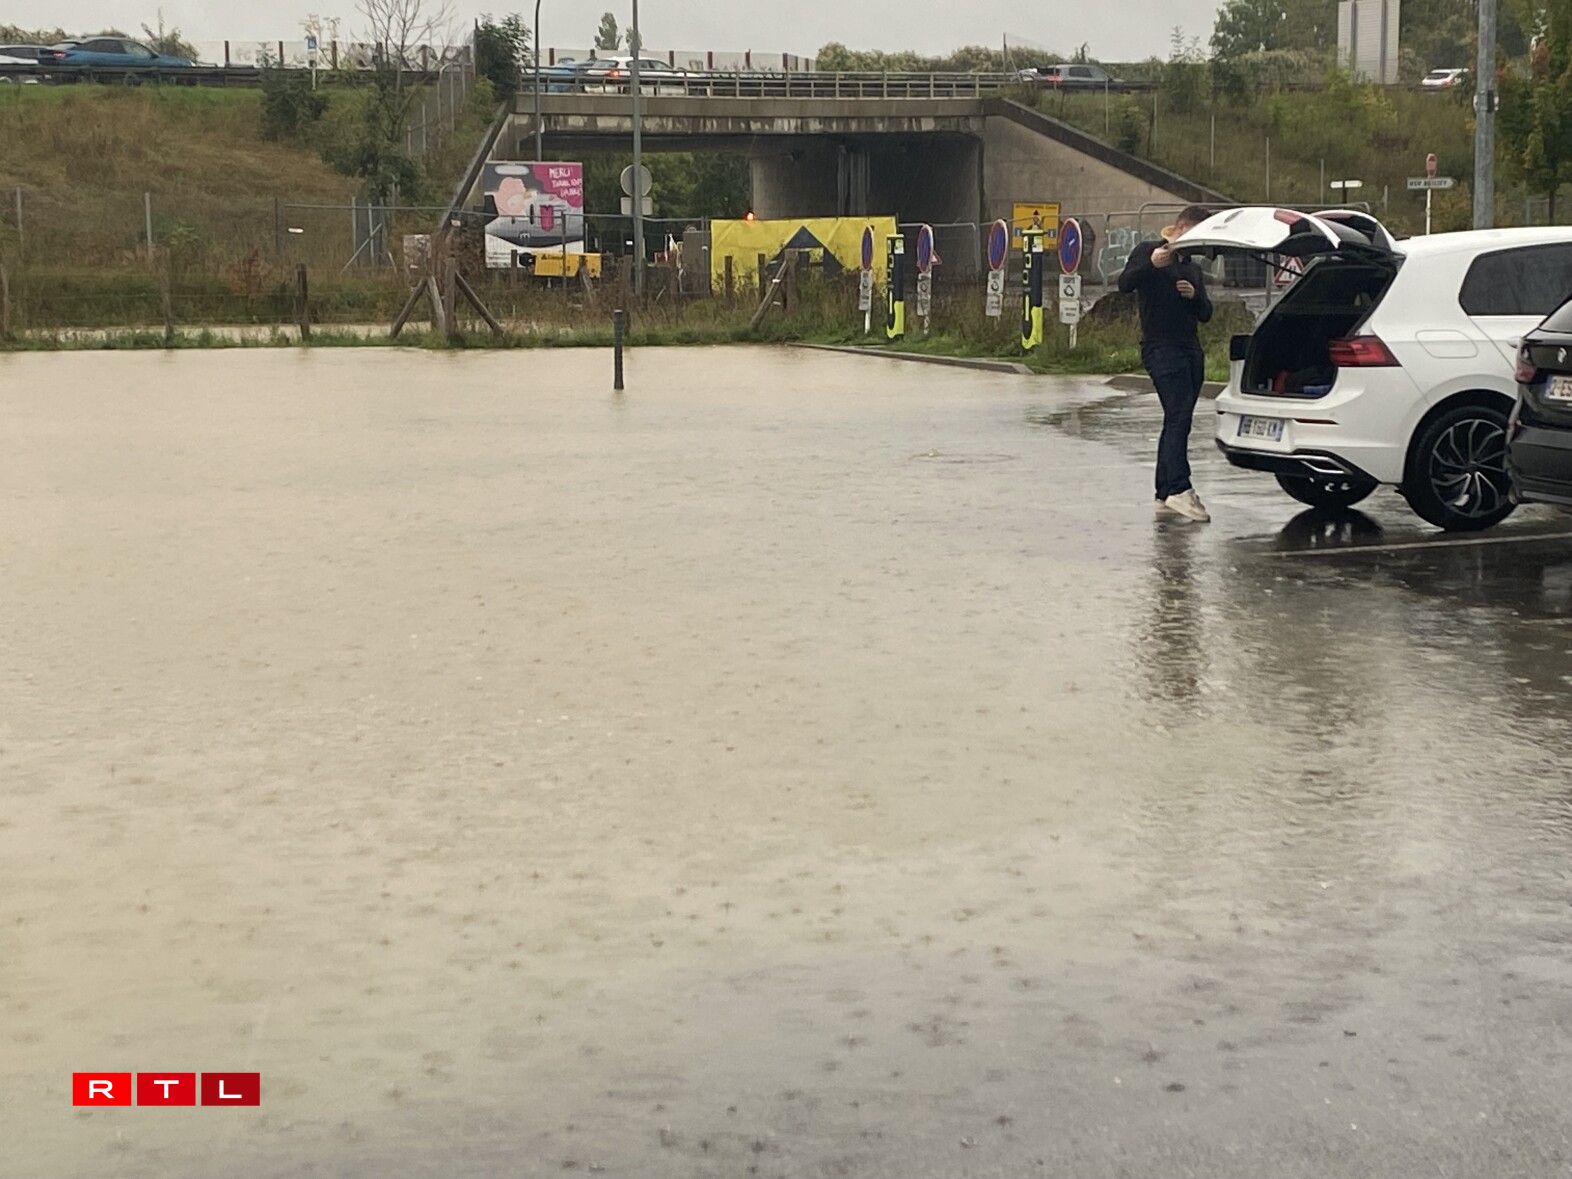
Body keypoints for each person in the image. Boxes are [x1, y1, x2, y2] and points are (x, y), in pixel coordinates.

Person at [1118, 206, 1215, 523]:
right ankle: (1179, 488)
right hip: (1161, 347)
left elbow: (1206, 313)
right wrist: (1150, 265)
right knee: (1177, 415)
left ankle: (1164, 492)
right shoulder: (1149, 251)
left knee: (1180, 418)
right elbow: (1125, 284)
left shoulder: (1192, 268)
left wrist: (1194, 296)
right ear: (1182, 227)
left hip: (1190, 349)